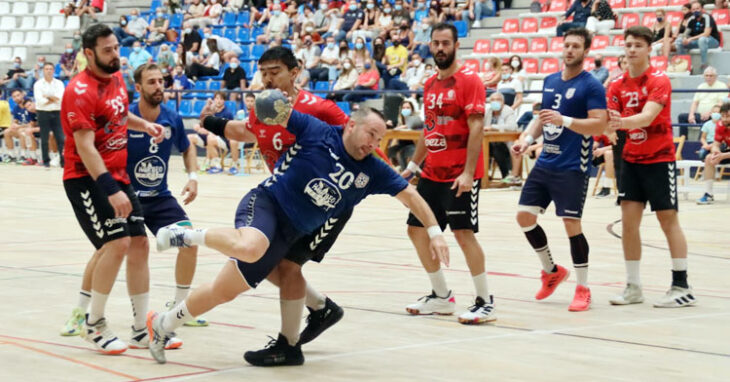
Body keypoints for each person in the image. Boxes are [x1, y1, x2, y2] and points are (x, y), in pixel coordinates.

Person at [147, 100, 450, 366]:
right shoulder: (317, 131)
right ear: (350, 124)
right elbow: (279, 112)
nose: (373, 144)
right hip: (266, 204)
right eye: (370, 134)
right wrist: (269, 100)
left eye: (380, 138)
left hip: (290, 233)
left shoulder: (372, 170)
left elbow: (411, 195)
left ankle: (162, 325)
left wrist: (434, 231)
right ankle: (185, 236)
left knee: (222, 291)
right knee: (251, 247)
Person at [190, 48, 355, 365]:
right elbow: (246, 131)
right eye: (263, 71)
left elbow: (359, 141)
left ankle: (289, 345)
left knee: (287, 267)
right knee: (267, 261)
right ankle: (321, 309)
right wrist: (211, 121)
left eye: (275, 71)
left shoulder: (320, 109)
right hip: (287, 202)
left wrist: (399, 182)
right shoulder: (265, 106)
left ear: (295, 72)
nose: (267, 78)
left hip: (324, 205)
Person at [59, 23, 164, 354]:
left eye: (116, 47)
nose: (115, 54)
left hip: (117, 175)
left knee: (139, 246)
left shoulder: (117, 77)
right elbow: (85, 146)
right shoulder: (79, 91)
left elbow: (117, 117)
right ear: (88, 54)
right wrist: (110, 188)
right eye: (107, 50)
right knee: (116, 244)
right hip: (87, 178)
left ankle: (139, 329)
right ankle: (93, 324)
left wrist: (143, 124)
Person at [401, 23, 496, 324]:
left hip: (459, 174)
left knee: (462, 233)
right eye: (436, 43)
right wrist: (414, 166)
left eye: (446, 43)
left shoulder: (469, 81)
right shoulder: (429, 85)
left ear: (456, 45)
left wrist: (469, 173)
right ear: (430, 46)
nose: (440, 48)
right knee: (416, 230)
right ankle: (441, 296)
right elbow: (428, 131)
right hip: (432, 173)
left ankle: (484, 300)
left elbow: (477, 127)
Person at [511, 27, 607, 312]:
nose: (569, 50)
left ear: (586, 51)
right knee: (524, 217)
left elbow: (599, 124)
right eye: (566, 45)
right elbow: (542, 118)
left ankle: (583, 288)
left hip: (572, 166)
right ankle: (551, 271)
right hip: (545, 163)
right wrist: (526, 140)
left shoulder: (591, 85)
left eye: (576, 46)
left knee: (570, 224)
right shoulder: (551, 80)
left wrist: (565, 120)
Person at [606, 26, 695, 308]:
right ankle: (633, 287)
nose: (631, 50)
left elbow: (646, 117)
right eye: (628, 44)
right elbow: (608, 121)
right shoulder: (616, 85)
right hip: (631, 160)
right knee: (629, 223)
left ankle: (682, 286)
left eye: (637, 45)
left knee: (668, 220)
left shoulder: (659, 80)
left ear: (649, 49)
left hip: (660, 158)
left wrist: (618, 124)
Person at [677, 66, 726, 138]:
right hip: (701, 114)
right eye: (706, 75)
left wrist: (709, 113)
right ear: (704, 76)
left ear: (715, 76)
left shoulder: (721, 86)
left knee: (705, 119)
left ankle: (699, 143)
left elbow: (721, 104)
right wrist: (691, 115)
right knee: (682, 117)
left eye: (711, 76)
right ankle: (683, 141)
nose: (708, 77)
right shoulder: (701, 86)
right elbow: (695, 102)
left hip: (713, 115)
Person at [33, 63, 66, 168]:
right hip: (43, 112)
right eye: (46, 69)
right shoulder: (38, 84)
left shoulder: (59, 83)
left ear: (53, 70)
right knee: (44, 138)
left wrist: (47, 96)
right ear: (43, 70)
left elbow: (60, 98)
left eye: (51, 69)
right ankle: (46, 161)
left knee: (60, 138)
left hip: (57, 112)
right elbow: (40, 101)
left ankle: (63, 161)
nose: (49, 71)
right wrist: (53, 98)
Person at [697, 102, 730, 205]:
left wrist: (723, 156)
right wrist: (716, 152)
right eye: (723, 116)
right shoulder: (720, 125)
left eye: (728, 116)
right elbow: (715, 144)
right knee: (708, 158)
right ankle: (708, 194)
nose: (724, 119)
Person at [675, 1, 720, 73]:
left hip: (712, 41)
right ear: (691, 10)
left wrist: (690, 39)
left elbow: (706, 33)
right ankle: (684, 65)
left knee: (702, 39)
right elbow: (686, 33)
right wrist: (684, 39)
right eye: (693, 9)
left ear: (702, 9)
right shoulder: (691, 19)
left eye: (697, 8)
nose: (696, 11)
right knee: (679, 41)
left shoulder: (707, 17)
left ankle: (704, 65)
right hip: (697, 42)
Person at [387, 98, 424, 167]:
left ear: (412, 109)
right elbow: (392, 128)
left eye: (408, 108)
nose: (405, 109)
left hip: (413, 145)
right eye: (403, 108)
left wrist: (405, 126)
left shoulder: (415, 120)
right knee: (388, 151)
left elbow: (415, 126)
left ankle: (408, 173)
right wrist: (388, 124)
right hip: (401, 146)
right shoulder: (398, 121)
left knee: (407, 152)